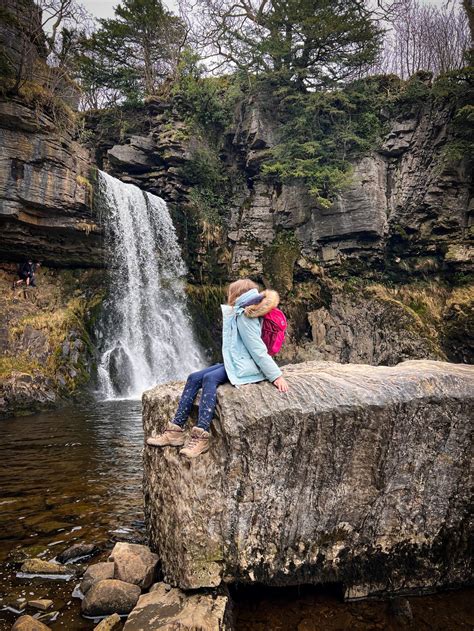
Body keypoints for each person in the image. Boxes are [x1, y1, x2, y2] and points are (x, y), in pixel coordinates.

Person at [147, 279, 289, 459]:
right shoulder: (241, 311)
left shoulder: (247, 314)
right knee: (193, 377)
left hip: (249, 366)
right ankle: (175, 431)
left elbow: (258, 351)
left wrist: (276, 376)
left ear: (235, 295)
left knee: (210, 379)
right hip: (239, 361)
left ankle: (201, 437)